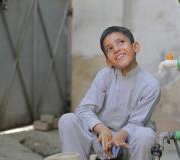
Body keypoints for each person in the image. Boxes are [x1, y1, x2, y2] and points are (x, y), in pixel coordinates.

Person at [58, 26, 161, 160]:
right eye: (110, 49)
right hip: (100, 139)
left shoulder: (150, 85)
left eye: (121, 42)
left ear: (135, 47)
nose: (116, 49)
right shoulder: (104, 75)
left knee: (145, 135)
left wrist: (119, 136)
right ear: (108, 61)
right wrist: (101, 129)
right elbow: (83, 109)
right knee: (67, 120)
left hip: (129, 142)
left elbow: (136, 123)